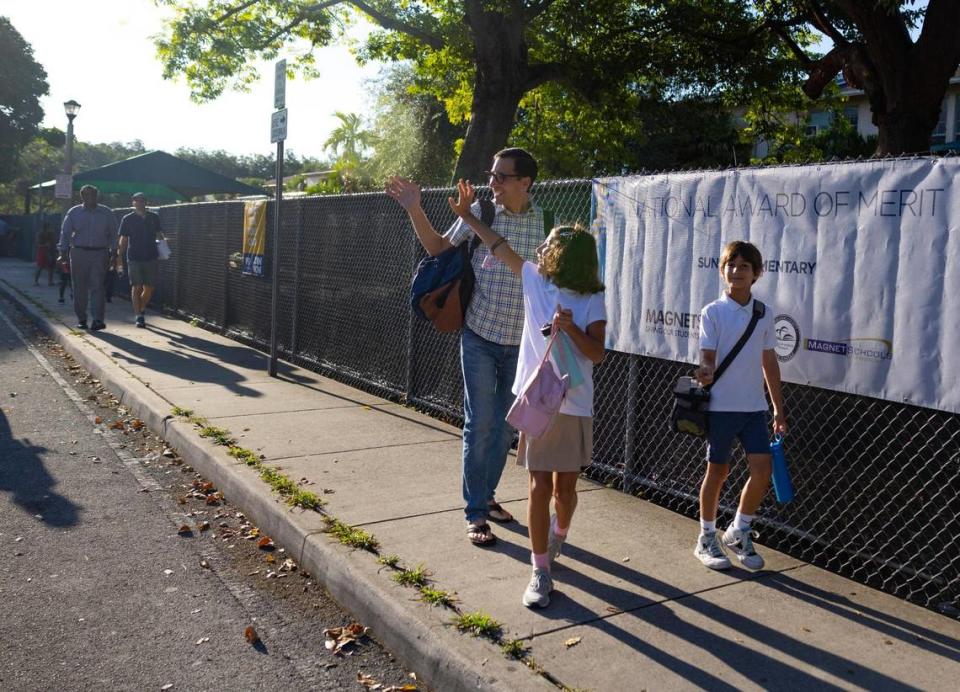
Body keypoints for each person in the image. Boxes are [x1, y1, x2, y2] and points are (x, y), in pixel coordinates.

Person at [447, 179, 606, 607]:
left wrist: (570, 328)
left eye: (548, 244)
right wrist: (465, 217)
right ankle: (540, 571)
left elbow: (598, 353)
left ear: (563, 255)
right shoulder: (536, 280)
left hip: (573, 404)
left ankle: (558, 535)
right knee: (538, 486)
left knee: (565, 491)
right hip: (538, 400)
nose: (540, 248)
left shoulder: (592, 300)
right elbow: (499, 247)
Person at [386, 148, 547, 547]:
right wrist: (414, 207)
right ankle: (475, 512)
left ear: (524, 183)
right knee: (479, 424)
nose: (492, 183)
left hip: (522, 345)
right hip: (478, 334)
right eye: (491, 174)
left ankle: (487, 497)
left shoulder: (546, 223)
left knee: (506, 427)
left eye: (502, 177)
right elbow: (439, 248)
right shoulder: (481, 212)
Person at [693, 240, 787, 571]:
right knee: (717, 472)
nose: (737, 271)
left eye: (744, 266)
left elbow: (769, 362)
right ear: (722, 271)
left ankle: (739, 530)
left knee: (762, 472)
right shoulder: (712, 312)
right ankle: (706, 537)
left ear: (756, 274)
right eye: (731, 265)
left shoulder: (763, 313)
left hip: (754, 410)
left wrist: (778, 407)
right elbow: (707, 357)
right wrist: (704, 373)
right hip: (720, 408)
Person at [57, 185, 118, 331]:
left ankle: (97, 320)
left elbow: (114, 234)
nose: (90, 198)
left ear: (97, 196)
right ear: (82, 197)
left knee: (98, 286)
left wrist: (114, 253)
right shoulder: (74, 212)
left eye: (93, 195)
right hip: (78, 253)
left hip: (100, 253)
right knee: (79, 287)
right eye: (87, 195)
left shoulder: (106, 213)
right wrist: (62, 253)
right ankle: (82, 318)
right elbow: (65, 233)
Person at [117, 192, 164, 327]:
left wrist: (164, 244)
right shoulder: (127, 219)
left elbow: (159, 234)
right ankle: (139, 316)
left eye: (142, 200)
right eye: (137, 200)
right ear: (133, 202)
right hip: (134, 257)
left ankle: (141, 307)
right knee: (136, 286)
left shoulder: (153, 217)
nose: (140, 203)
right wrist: (119, 255)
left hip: (151, 256)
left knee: (149, 287)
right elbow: (123, 238)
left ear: (146, 202)